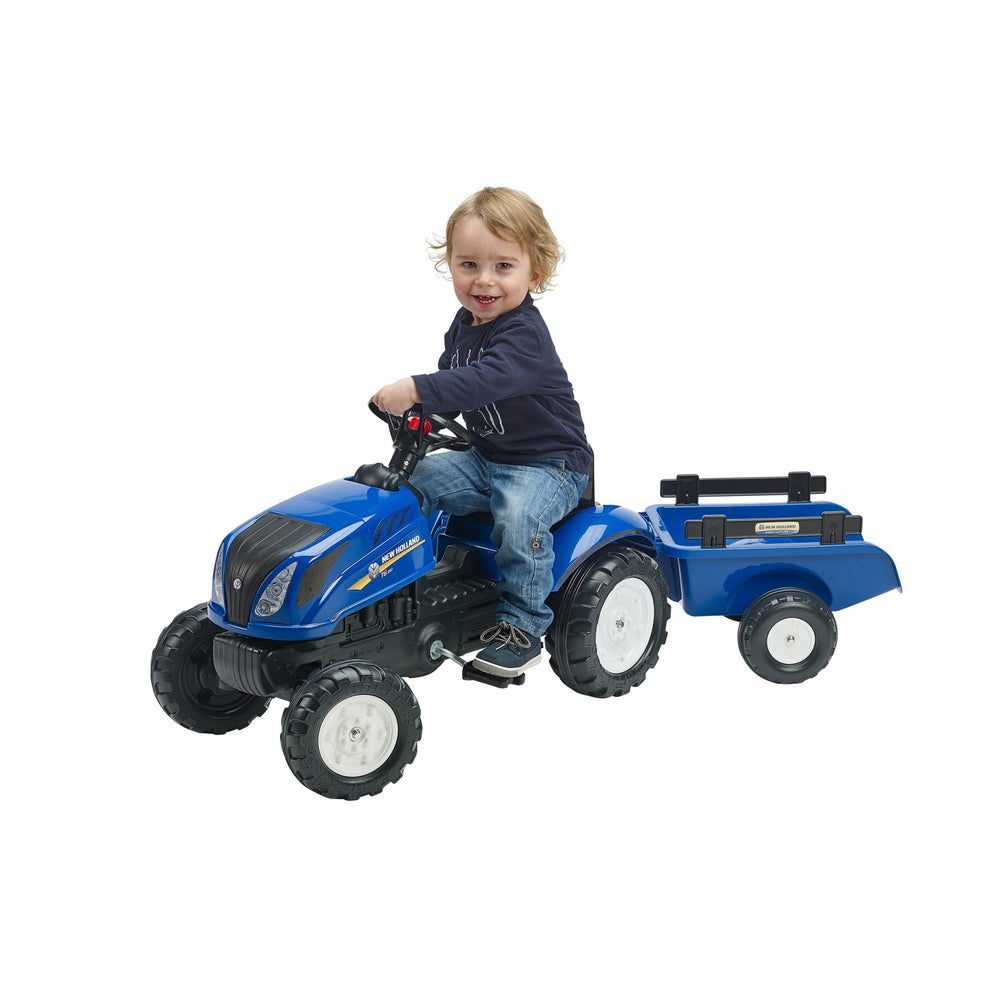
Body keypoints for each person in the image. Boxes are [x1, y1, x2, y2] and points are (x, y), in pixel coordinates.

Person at [373, 187, 592, 677]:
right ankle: (404, 584)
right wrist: (419, 415)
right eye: (469, 264)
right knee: (409, 487)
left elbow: (484, 380)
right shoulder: (464, 324)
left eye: (503, 266)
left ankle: (522, 624)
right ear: (449, 265)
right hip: (486, 456)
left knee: (518, 518)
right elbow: (456, 381)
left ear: (534, 272)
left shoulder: (524, 335)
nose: (484, 280)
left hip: (548, 464)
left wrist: (416, 388)